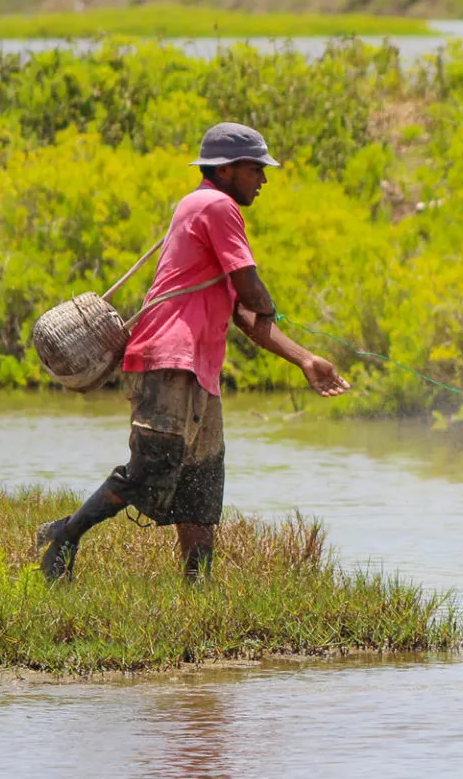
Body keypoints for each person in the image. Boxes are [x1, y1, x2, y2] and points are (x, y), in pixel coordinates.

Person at [36, 122, 349, 583]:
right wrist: (266, 302)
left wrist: (304, 359)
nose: (263, 180)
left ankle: (196, 586)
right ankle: (64, 534)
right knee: (150, 469)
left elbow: (242, 313)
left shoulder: (200, 205)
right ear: (224, 171)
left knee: (203, 484)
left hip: (198, 370)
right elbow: (250, 289)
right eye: (254, 170)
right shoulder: (216, 205)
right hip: (169, 359)